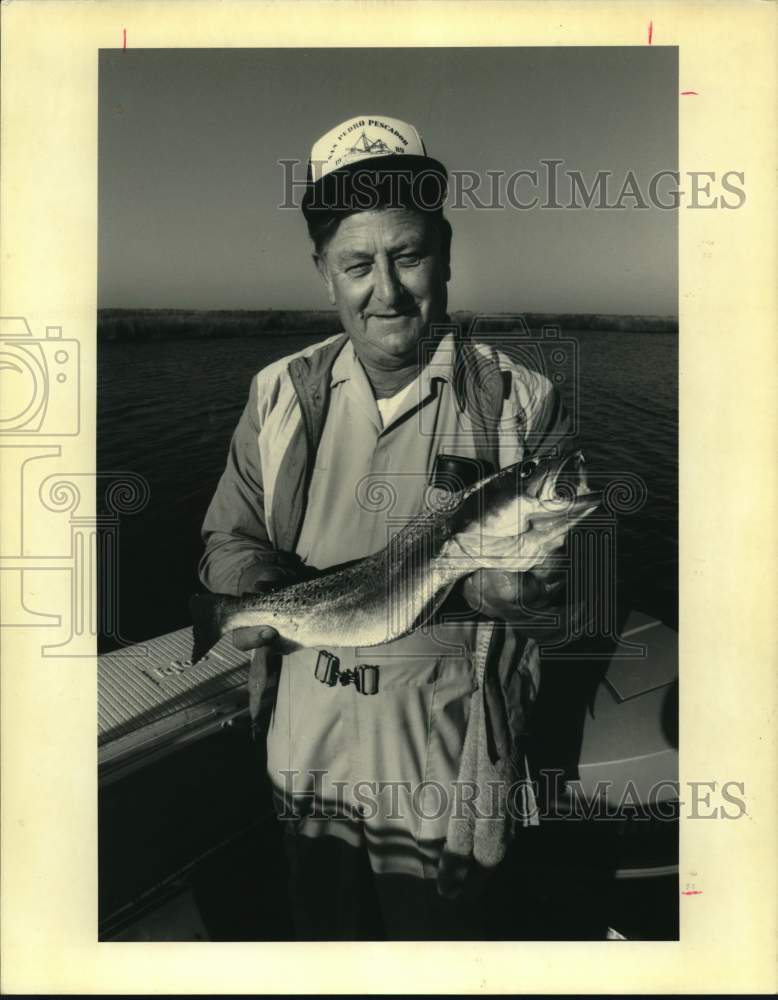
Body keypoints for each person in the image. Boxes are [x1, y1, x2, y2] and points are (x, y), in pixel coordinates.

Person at [198, 115, 588, 940]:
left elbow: (564, 611)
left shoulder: (523, 402)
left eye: (409, 257)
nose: (388, 290)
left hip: (447, 785)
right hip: (305, 772)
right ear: (323, 274)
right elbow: (227, 544)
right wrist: (259, 598)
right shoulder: (276, 392)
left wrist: (521, 593)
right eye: (358, 264)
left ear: (445, 255)